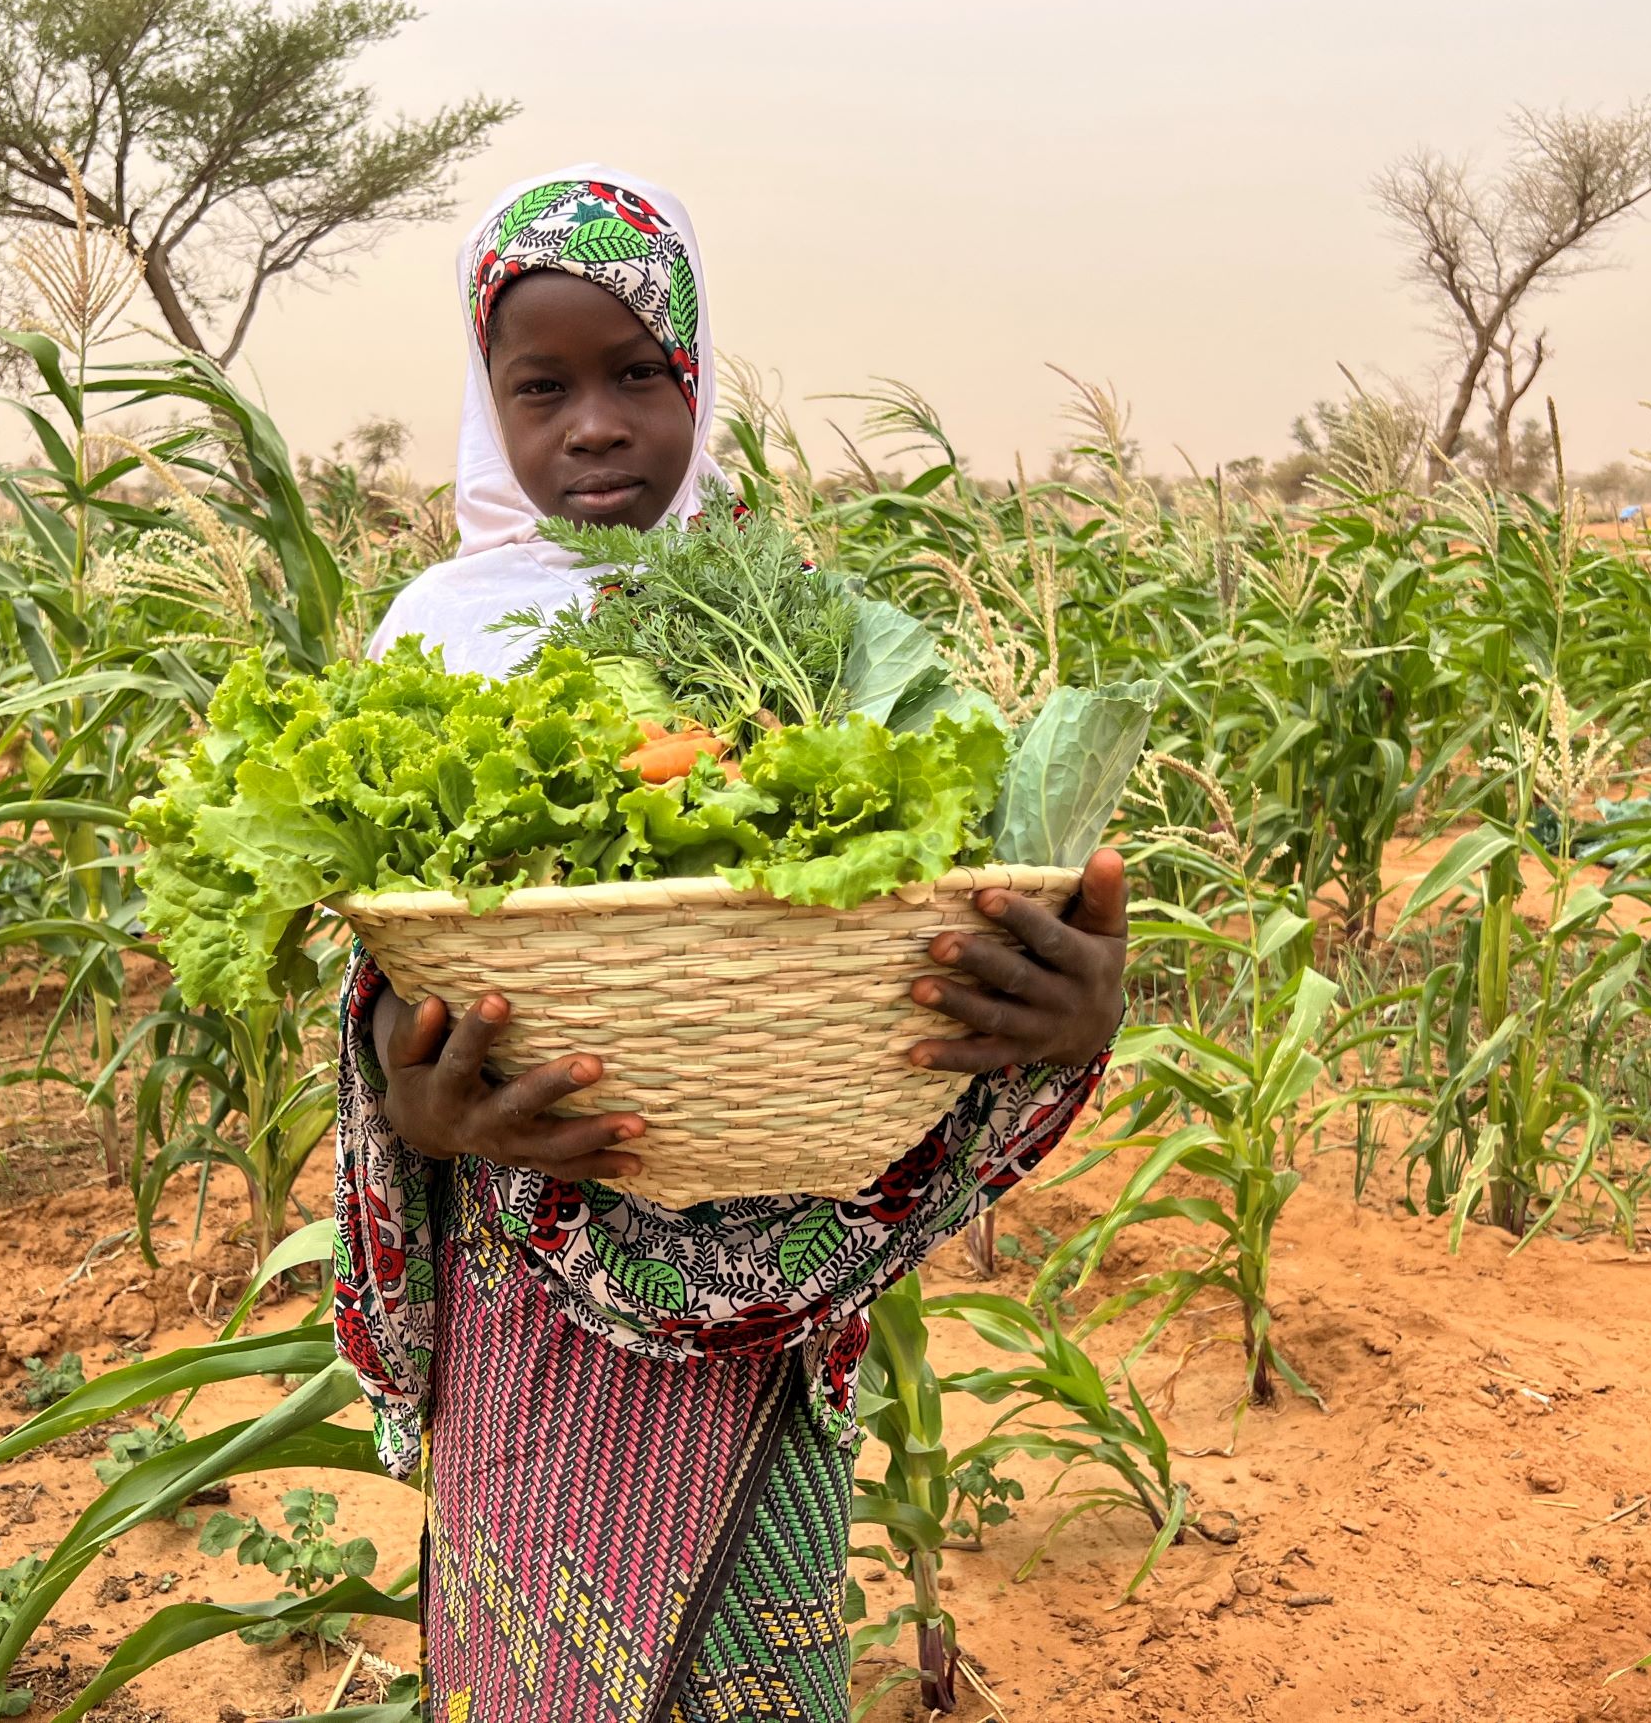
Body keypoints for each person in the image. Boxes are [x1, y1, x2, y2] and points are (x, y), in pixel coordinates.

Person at [333, 164, 1125, 1723]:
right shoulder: (436, 631)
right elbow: (374, 951)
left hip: (779, 1278)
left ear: (701, 380)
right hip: (524, 1280)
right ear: (484, 404)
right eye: (540, 385)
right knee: (536, 1665)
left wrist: (1062, 1005)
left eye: (643, 374)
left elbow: (915, 914)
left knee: (759, 1652)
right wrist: (404, 1095)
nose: (598, 424)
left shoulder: (806, 629)